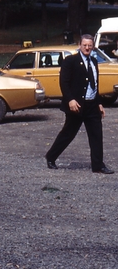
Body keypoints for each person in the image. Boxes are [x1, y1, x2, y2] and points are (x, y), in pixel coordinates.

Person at [45, 34, 113, 174]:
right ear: (79, 45)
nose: (87, 48)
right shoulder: (70, 61)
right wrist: (70, 99)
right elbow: (64, 82)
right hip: (77, 105)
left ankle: (98, 165)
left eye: (90, 45)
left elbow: (95, 84)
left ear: (93, 46)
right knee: (68, 133)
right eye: (84, 45)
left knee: (96, 135)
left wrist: (99, 103)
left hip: (92, 105)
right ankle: (51, 157)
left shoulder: (94, 61)